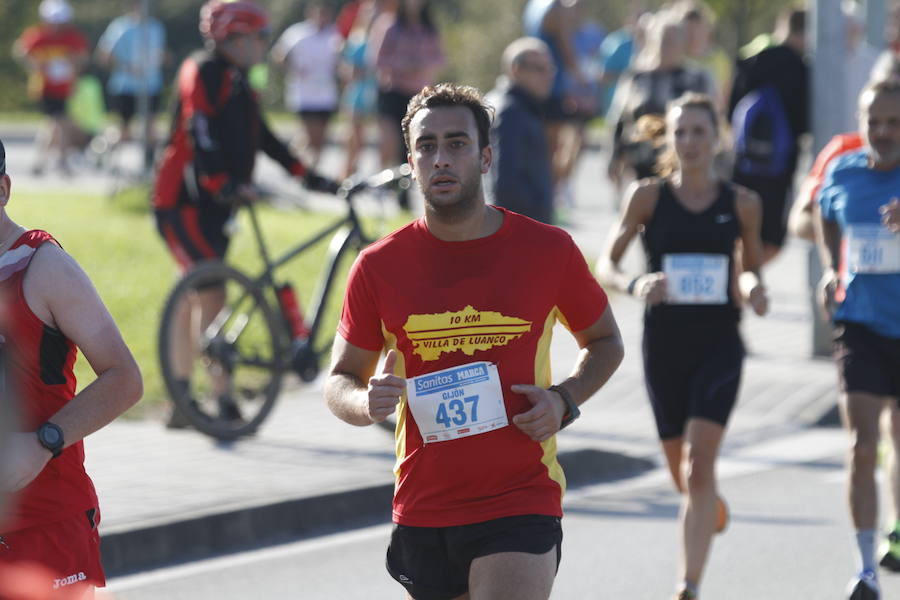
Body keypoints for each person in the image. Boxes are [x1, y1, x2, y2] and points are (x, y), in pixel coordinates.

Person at [324, 83, 624, 599]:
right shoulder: (378, 266)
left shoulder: (547, 250)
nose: (441, 158)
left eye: (457, 144)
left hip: (520, 497)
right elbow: (339, 380)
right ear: (412, 162)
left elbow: (605, 341)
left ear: (485, 157)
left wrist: (564, 400)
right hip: (425, 504)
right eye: (427, 146)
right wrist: (364, 401)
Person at [597, 93, 768, 600]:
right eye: (681, 132)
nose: (690, 142)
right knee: (682, 472)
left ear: (717, 138)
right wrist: (634, 285)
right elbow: (606, 262)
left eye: (700, 131)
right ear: (668, 139)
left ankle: (687, 584)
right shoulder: (647, 197)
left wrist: (754, 287)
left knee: (698, 465)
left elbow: (751, 265)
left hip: (719, 345)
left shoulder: (742, 203)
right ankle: (707, 504)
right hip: (664, 347)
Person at [152, 0, 336, 428]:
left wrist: (309, 177)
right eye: (260, 37)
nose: (265, 46)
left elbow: (265, 138)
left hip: (218, 207)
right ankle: (220, 398)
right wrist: (223, 183)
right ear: (234, 37)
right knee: (210, 292)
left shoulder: (240, 80)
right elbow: (200, 130)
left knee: (194, 294)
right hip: (182, 202)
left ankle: (183, 398)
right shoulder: (201, 70)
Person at [0, 136, 143, 598]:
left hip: (42, 524)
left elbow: (125, 378)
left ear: (3, 189)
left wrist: (44, 443)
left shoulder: (42, 268)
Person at [814, 79, 900, 600]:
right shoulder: (842, 171)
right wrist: (830, 269)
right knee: (861, 445)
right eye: (875, 122)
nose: (884, 132)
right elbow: (826, 216)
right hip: (859, 325)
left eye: (894, 123)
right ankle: (865, 569)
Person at [727, 8, 808, 266]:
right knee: (772, 238)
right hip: (779, 170)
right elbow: (804, 122)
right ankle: (745, 279)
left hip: (743, 163)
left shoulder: (752, 57)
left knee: (738, 229)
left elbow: (731, 109)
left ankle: (739, 278)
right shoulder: (799, 67)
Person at [606, 13, 713, 192]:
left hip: (684, 165)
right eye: (663, 39)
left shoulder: (697, 79)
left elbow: (712, 120)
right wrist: (614, 156)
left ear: (683, 43)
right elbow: (619, 118)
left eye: (673, 40)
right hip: (641, 162)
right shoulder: (637, 77)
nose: (667, 45)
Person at [369, 0, 445, 210]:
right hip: (391, 91)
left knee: (411, 145)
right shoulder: (390, 26)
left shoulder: (428, 28)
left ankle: (404, 193)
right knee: (390, 142)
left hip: (417, 94)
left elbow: (438, 58)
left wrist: (420, 65)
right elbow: (378, 59)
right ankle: (383, 184)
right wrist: (402, 65)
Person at [12, 0, 88, 176]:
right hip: (45, 88)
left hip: (65, 88)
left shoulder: (71, 36)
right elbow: (21, 51)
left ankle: (39, 162)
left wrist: (72, 63)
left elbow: (83, 57)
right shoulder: (38, 35)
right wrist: (35, 65)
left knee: (53, 125)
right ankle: (62, 162)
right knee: (60, 123)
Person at [486, 37, 555, 224]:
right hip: (520, 229)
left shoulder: (520, 106)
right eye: (540, 69)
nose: (549, 75)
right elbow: (505, 183)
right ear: (516, 70)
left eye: (551, 69)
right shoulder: (510, 112)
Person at [95, 0, 167, 165]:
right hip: (125, 86)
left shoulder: (156, 27)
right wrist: (127, 67)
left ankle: (149, 165)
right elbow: (104, 55)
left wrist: (161, 58)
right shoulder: (120, 27)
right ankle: (103, 149)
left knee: (150, 128)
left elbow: (159, 52)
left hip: (151, 84)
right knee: (124, 132)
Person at [271, 2, 342, 169]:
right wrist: (294, 69)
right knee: (311, 135)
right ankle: (300, 166)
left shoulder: (334, 34)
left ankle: (308, 166)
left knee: (319, 137)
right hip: (304, 93)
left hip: (326, 93)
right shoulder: (297, 33)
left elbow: (339, 61)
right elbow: (278, 55)